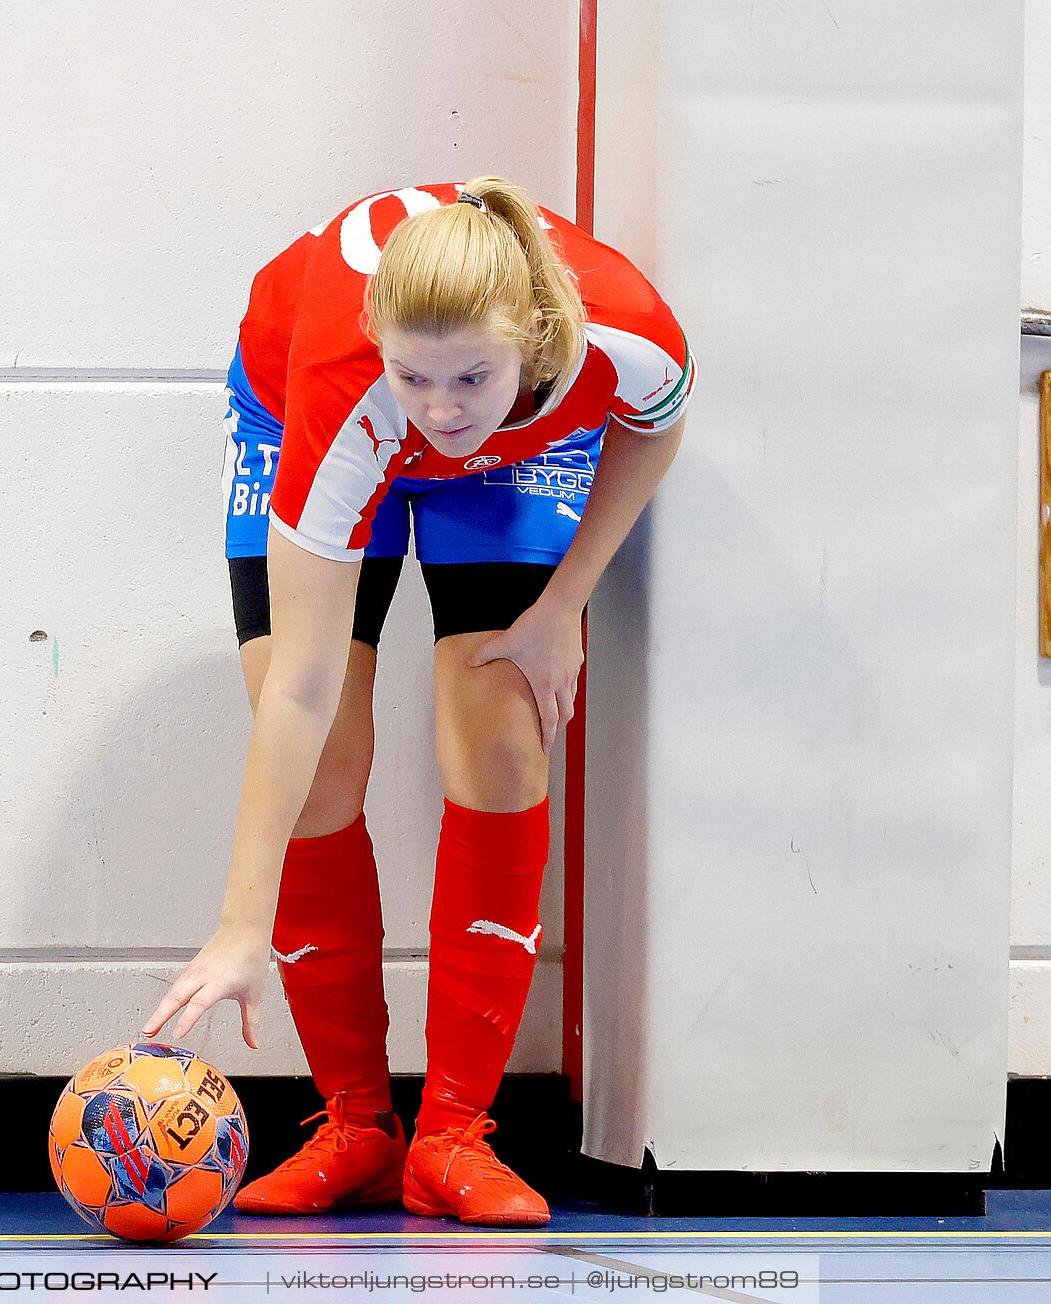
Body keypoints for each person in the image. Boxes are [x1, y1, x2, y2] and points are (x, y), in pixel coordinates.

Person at [140, 177, 692, 1227]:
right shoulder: (351, 390)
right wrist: (237, 926)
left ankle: (452, 1135)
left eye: (469, 377)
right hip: (301, 414)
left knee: (502, 741)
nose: (440, 412)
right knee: (320, 761)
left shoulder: (624, 333)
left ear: (531, 336)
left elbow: (656, 429)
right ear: (380, 347)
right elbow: (299, 691)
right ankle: (353, 1123)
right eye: (418, 379)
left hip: (523, 453)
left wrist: (564, 601)